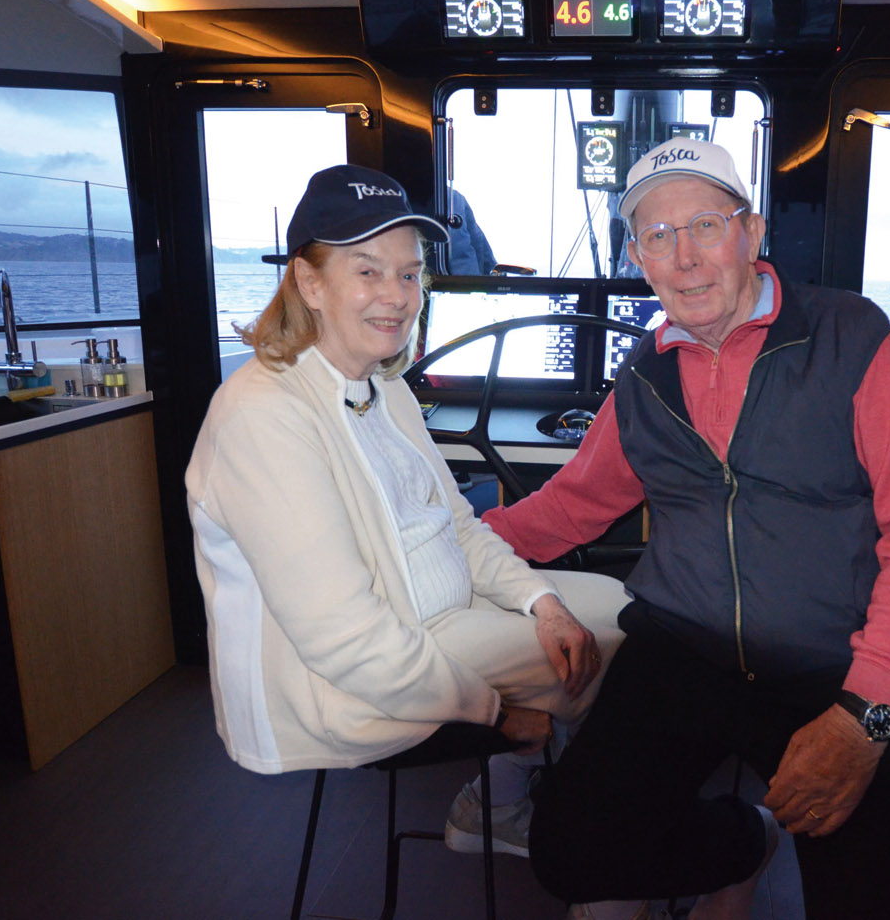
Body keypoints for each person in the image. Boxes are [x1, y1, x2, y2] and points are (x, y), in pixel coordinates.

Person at [481, 138, 890, 920]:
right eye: (658, 236)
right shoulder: (644, 376)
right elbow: (570, 505)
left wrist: (865, 718)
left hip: (839, 664)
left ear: (753, 232)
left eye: (706, 225)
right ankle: (748, 842)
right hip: (686, 651)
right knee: (570, 850)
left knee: (876, 906)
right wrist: (449, 544)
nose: (686, 257)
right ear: (638, 258)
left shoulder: (854, 341)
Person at [185, 164, 628, 859]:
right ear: (309, 283)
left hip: (437, 614)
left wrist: (541, 602)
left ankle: (512, 797)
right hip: (346, 681)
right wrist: (497, 716)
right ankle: (587, 848)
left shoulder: (384, 387)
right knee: (630, 655)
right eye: (367, 272)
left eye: (410, 274)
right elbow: (346, 640)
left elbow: (457, 527)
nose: (396, 296)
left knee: (621, 608)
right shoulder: (263, 415)